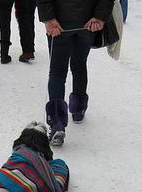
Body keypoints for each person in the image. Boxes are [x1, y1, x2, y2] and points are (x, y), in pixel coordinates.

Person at [38, 0, 115, 146]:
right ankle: (78, 109)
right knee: (79, 64)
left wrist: (48, 18)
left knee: (57, 71)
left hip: (63, 21)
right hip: (85, 21)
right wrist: (100, 16)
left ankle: (57, 123)